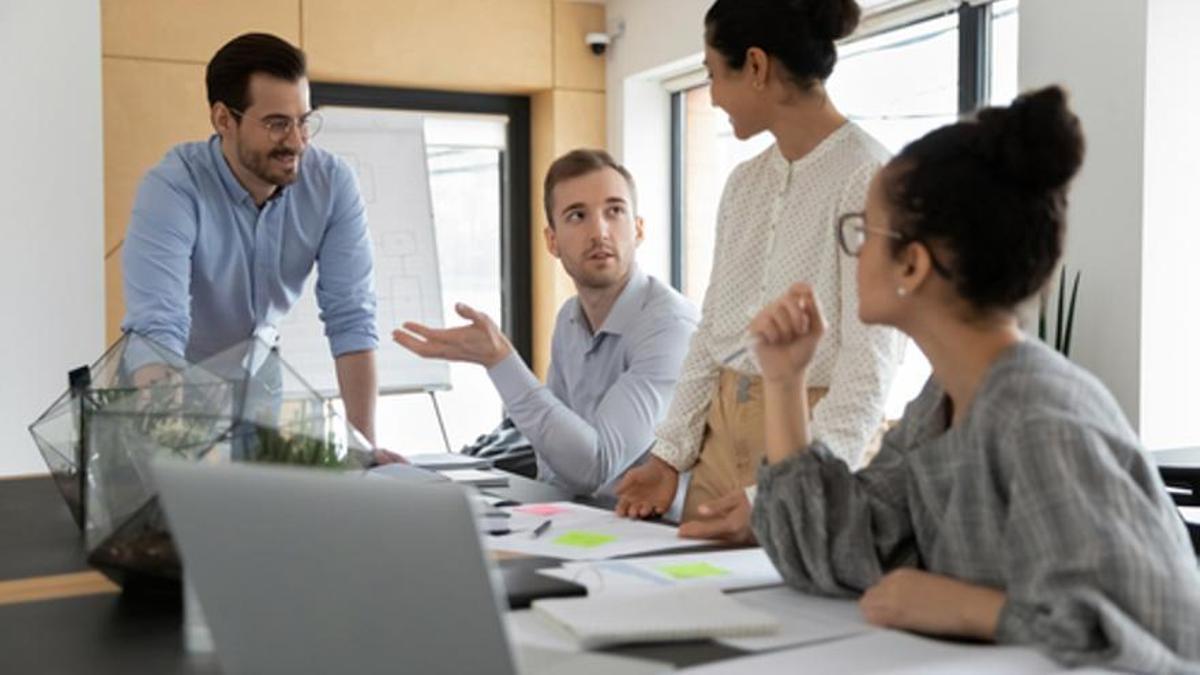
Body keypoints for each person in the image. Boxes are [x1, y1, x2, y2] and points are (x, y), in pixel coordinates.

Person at [747, 86, 1200, 671]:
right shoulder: (943, 401)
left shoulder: (1041, 417)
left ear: (913, 264)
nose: (853, 255)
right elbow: (834, 549)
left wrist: (973, 608)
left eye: (864, 234)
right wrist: (785, 382)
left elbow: (1167, 647)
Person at [616, 0, 903, 529]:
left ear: (755, 66)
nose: (713, 95)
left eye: (711, 74)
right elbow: (712, 334)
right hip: (719, 439)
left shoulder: (867, 177)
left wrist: (781, 493)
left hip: (813, 443)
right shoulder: (743, 184)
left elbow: (870, 369)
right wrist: (669, 455)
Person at [120, 33, 396, 462]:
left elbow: (351, 317)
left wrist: (365, 452)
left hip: (258, 371)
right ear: (223, 119)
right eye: (276, 123)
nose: (297, 141)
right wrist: (170, 444)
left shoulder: (331, 183)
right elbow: (159, 329)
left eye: (303, 120)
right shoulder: (173, 187)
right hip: (170, 377)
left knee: (262, 514)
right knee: (170, 514)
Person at [394, 150, 699, 495]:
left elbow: (595, 466)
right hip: (589, 525)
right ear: (551, 241)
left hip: (660, 535)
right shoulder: (570, 318)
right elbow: (553, 465)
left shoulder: (670, 326)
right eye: (577, 216)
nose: (599, 231)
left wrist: (500, 360)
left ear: (638, 228)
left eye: (614, 211)